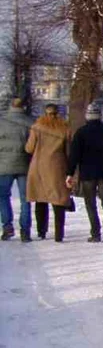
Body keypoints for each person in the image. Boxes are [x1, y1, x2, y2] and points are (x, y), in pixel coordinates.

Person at [66, 103, 103, 242]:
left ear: (87, 116)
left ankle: (95, 232)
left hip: (87, 174)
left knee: (90, 203)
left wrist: (70, 173)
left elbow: (74, 155)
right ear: (99, 116)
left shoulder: (81, 133)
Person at [25, 104, 72, 242]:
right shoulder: (64, 129)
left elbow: (29, 148)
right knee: (58, 200)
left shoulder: (37, 127)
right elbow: (69, 151)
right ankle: (59, 234)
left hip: (39, 166)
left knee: (41, 199)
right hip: (58, 167)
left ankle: (41, 231)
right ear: (58, 113)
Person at [0, 98, 34, 241]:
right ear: (23, 107)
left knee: (3, 196)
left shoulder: (2, 123)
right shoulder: (31, 123)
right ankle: (25, 231)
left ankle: (7, 227)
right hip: (25, 165)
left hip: (4, 166)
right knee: (25, 198)